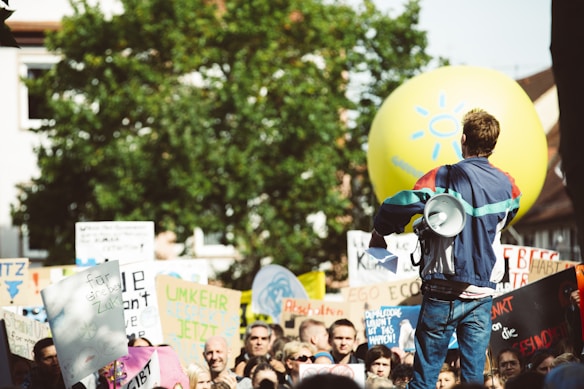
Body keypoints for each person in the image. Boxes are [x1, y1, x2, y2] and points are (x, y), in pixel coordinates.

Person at [369, 108, 521, 388]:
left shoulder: (443, 178)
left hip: (443, 291)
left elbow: (398, 203)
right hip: (482, 294)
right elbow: (508, 214)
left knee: (425, 378)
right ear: (493, 145)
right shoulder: (508, 185)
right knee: (474, 379)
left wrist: (381, 230)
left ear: (463, 139)